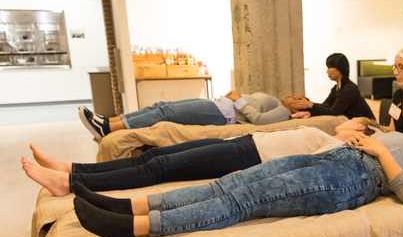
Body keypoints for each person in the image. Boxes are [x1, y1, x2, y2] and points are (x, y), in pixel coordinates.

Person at [71, 129, 403, 237]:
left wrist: (379, 151)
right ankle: (130, 208)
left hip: (351, 179)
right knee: (230, 181)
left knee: (246, 198)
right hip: (336, 159)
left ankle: (133, 228)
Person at [22, 118, 380, 196]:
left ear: (361, 130)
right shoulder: (323, 134)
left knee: (160, 167)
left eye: (352, 123)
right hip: (244, 141)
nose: (344, 122)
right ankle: (74, 168)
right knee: (157, 154)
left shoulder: (333, 144)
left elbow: (302, 169)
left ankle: (68, 184)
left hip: (247, 155)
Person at [79, 91, 298, 141]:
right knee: (161, 105)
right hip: (220, 106)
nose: (292, 95)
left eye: (297, 97)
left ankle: (108, 129)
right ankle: (109, 122)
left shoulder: (284, 111)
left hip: (223, 115)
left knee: (166, 113)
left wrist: (238, 99)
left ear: (297, 109)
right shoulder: (278, 101)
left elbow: (259, 120)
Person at [290, 53, 375, 120]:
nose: (327, 71)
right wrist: (306, 103)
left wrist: (310, 105)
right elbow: (326, 105)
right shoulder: (337, 88)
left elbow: (334, 111)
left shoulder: (349, 89)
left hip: (366, 126)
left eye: (329, 67)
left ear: (339, 69)